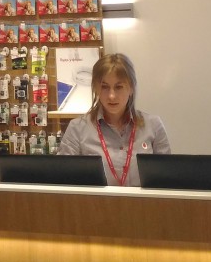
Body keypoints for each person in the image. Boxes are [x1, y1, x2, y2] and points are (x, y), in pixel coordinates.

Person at [57, 53, 170, 186]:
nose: (111, 96)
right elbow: (63, 180)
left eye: (118, 87)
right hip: (94, 200)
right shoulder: (77, 128)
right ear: (96, 88)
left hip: (143, 200)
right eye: (104, 87)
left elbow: (166, 180)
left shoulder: (153, 126)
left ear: (131, 88)